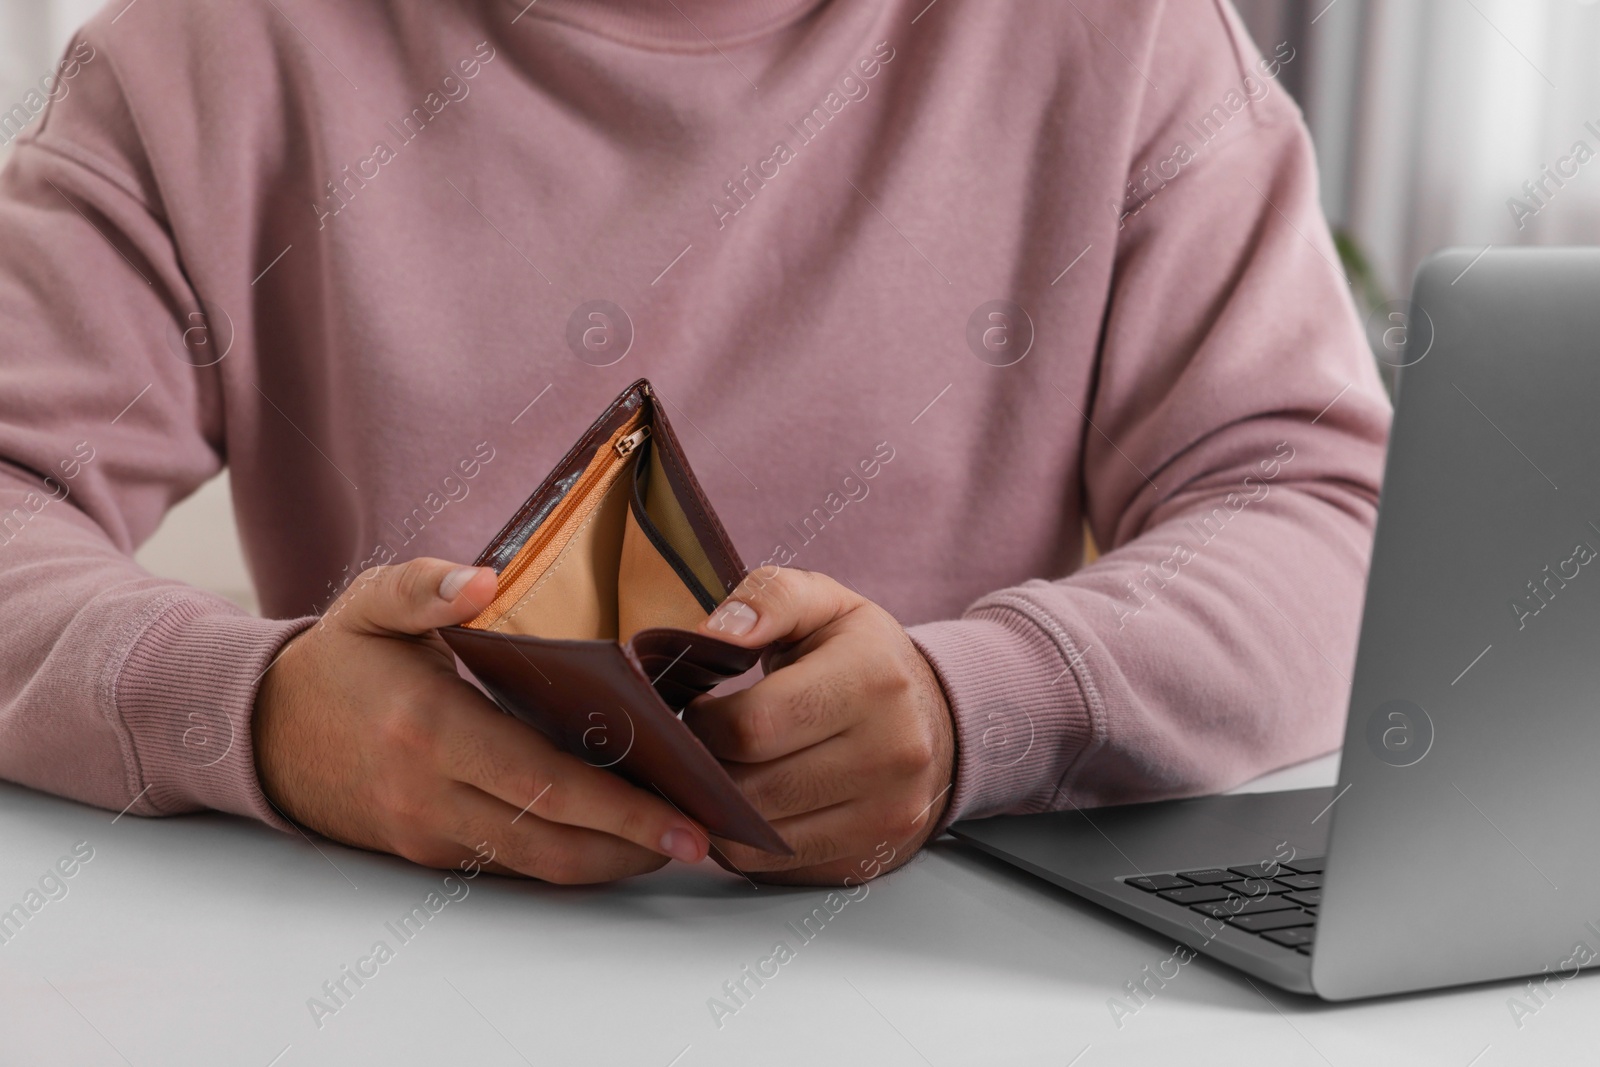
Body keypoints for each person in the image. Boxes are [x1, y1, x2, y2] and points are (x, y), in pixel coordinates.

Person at [0, 0, 1388, 886]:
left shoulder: (1120, 38)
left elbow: (1323, 515)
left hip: (958, 975)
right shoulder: (201, 57)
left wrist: (986, 706)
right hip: (392, 973)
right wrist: (260, 713)